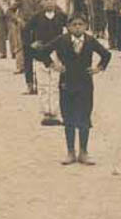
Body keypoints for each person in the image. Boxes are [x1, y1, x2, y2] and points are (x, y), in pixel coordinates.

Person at [39, 14, 112, 165]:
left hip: (85, 84)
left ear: (86, 26)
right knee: (68, 118)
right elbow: (42, 51)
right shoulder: (62, 40)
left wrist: (98, 68)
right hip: (67, 83)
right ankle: (70, 152)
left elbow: (106, 54)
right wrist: (53, 65)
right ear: (68, 27)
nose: (77, 27)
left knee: (85, 117)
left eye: (80, 24)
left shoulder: (90, 41)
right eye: (74, 25)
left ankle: (84, 152)